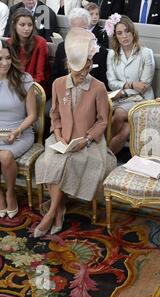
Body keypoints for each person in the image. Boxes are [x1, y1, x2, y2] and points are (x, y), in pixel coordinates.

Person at [34, 28, 116, 237]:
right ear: (68, 65)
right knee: (49, 162)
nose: (83, 74)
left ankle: (51, 214)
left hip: (88, 142)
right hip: (61, 138)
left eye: (87, 67)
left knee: (68, 164)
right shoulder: (58, 84)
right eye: (78, 70)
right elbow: (54, 115)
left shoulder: (98, 87)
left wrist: (87, 139)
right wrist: (59, 135)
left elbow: (102, 121)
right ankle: (59, 210)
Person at [105, 14, 155, 155]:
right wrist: (131, 84)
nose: (124, 36)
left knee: (119, 113)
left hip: (142, 99)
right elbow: (111, 83)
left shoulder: (146, 53)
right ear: (116, 36)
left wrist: (125, 90)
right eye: (119, 33)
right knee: (125, 128)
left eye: (127, 31)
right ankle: (108, 156)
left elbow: (144, 86)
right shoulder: (111, 54)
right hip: (120, 97)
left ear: (133, 32)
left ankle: (104, 152)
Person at [0, 40, 37, 219]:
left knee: (5, 156)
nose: (4, 63)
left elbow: (32, 116)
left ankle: (10, 192)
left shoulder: (24, 79)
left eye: (7, 58)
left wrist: (17, 131)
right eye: (0, 59)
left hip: (20, 132)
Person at [8, 8, 50, 93]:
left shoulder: (40, 43)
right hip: (13, 86)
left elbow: (40, 76)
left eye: (30, 25)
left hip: (34, 88)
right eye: (22, 25)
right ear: (14, 25)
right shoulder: (9, 43)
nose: (27, 28)